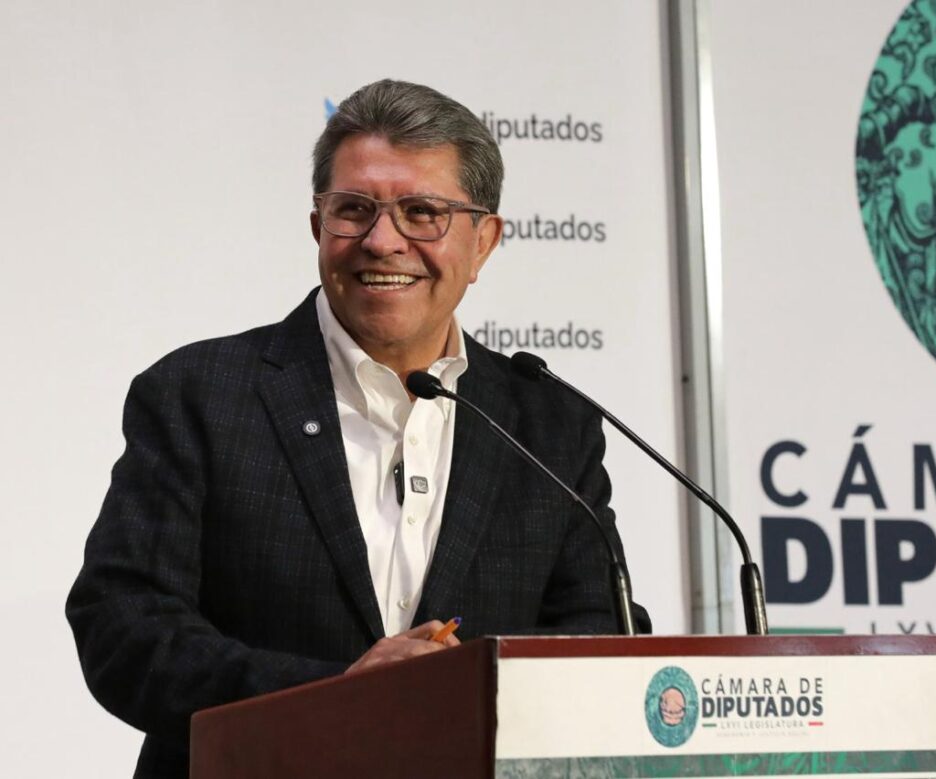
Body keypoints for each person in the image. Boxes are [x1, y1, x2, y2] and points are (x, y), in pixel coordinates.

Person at [66, 78, 650, 778]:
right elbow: (125, 628)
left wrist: (472, 697)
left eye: (422, 212)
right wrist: (339, 694)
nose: (382, 241)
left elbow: (601, 631)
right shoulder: (200, 394)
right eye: (354, 210)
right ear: (318, 225)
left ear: (484, 241)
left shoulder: (549, 423)